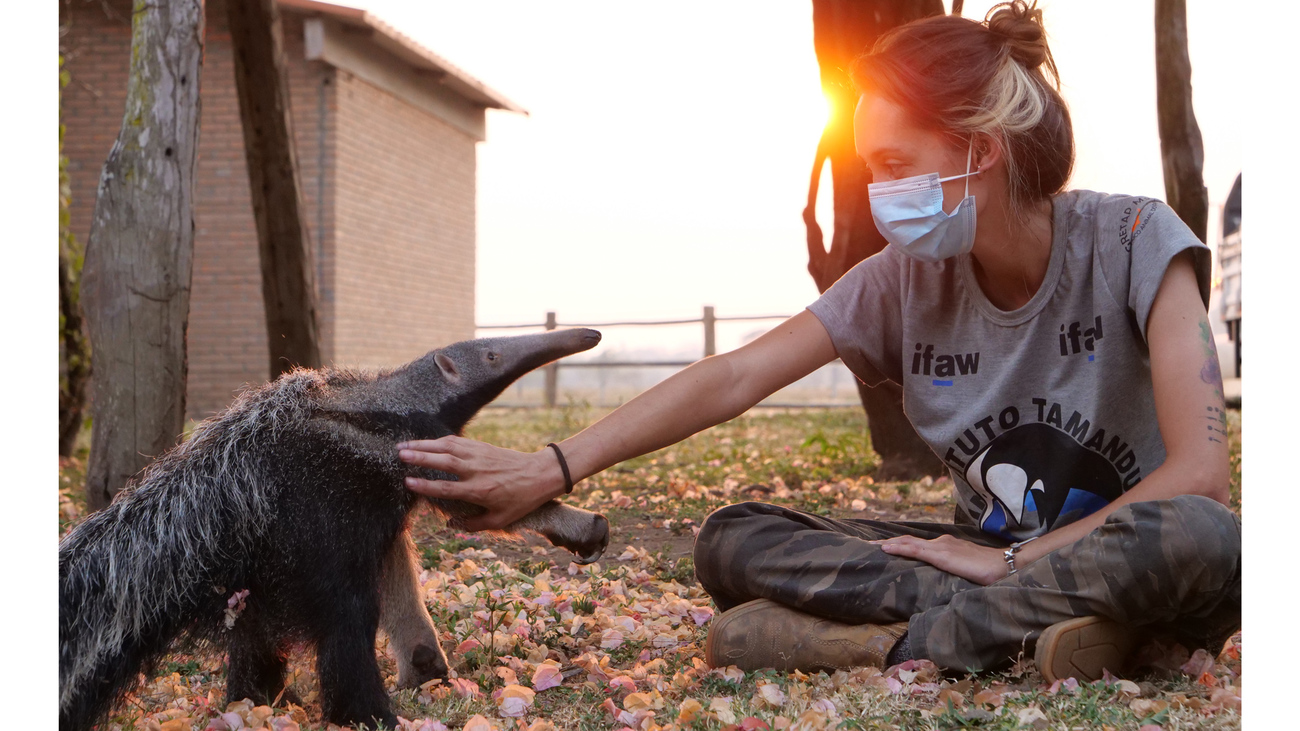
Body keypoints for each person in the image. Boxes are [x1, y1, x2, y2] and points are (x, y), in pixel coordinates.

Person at [395, 1, 1240, 682]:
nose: (878, 192)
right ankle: (1070, 633)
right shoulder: (902, 278)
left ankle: (898, 646)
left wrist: (1020, 562)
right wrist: (551, 467)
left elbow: (1197, 478)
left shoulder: (1136, 239)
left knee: (1207, 534)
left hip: (1130, 551)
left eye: (892, 163)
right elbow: (736, 376)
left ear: (978, 151)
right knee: (734, 535)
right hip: (976, 557)